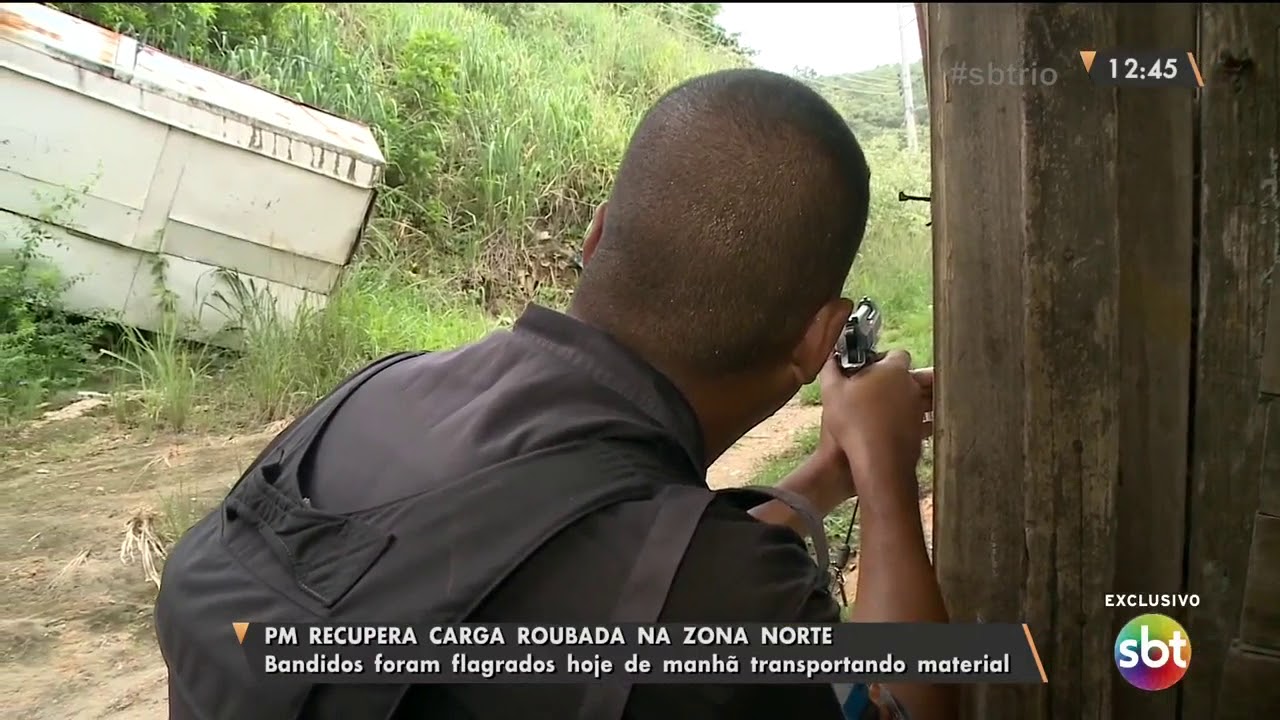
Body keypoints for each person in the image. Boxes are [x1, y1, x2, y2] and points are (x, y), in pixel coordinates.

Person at [155, 67, 953, 720]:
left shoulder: (369, 395)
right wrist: (884, 480)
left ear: (597, 236)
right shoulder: (734, 599)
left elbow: (559, 546)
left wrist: (826, 474)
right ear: (821, 339)